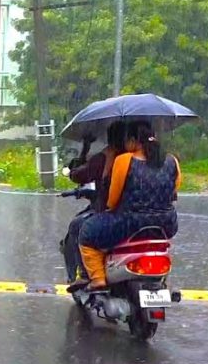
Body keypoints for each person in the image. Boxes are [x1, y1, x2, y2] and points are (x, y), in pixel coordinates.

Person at [76, 120, 183, 291]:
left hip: (130, 223)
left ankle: (97, 279)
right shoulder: (172, 161)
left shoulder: (124, 160)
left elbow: (112, 200)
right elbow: (174, 189)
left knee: (87, 231)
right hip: (166, 224)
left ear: (133, 141)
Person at [61, 121, 128, 284]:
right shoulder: (141, 158)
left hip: (111, 213)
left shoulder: (107, 158)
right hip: (141, 215)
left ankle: (85, 275)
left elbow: (78, 175)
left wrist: (84, 149)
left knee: (79, 227)